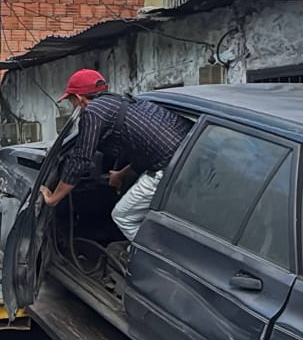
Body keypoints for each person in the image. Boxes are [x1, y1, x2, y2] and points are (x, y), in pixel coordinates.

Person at [40, 69, 192, 242]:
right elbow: (146, 153)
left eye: (71, 101)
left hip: (169, 169)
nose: (73, 106)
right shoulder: (123, 103)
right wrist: (121, 175)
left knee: (123, 216)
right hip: (189, 159)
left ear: (79, 98)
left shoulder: (92, 112)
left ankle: (155, 260)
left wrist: (53, 198)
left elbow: (80, 160)